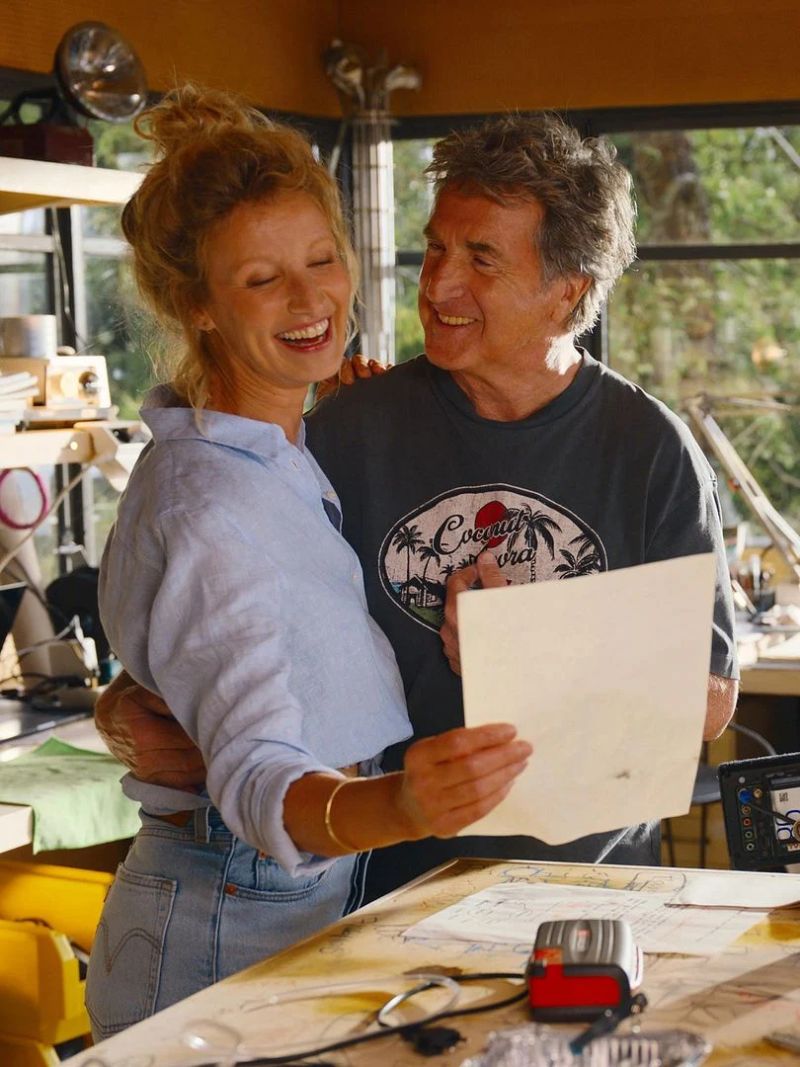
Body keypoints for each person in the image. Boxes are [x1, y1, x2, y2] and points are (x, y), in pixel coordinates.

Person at [95, 111, 738, 906]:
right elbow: (211, 617)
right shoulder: (342, 426)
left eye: (481, 259)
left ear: (566, 292)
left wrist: (533, 652)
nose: (437, 285)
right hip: (373, 894)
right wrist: (122, 707)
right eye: (436, 248)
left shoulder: (650, 449)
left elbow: (708, 704)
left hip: (589, 887)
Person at [84, 86, 531, 1040]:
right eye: (262, 279)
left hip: (273, 904)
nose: (309, 299)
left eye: (322, 259)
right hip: (223, 920)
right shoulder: (210, 502)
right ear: (197, 305)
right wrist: (405, 800)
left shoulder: (274, 454)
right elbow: (256, 778)